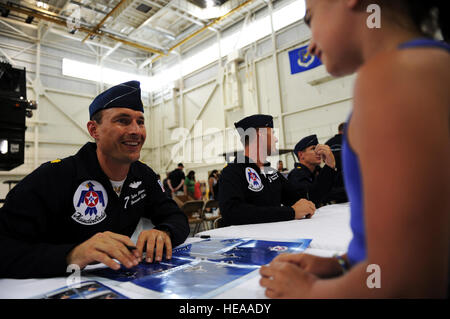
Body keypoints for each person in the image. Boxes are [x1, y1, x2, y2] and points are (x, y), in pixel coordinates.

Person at [260, 0, 450, 298]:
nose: (310, 47)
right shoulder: (426, 64)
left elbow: (408, 278)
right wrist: (340, 264)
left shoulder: (391, 77)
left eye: (310, 21)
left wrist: (308, 292)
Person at [0, 81, 190, 278]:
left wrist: (164, 232)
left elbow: (175, 217)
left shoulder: (144, 176)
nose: (136, 130)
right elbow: (4, 248)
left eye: (140, 122)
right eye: (123, 121)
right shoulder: (53, 178)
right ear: (94, 130)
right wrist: (71, 255)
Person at [218, 114, 316, 226]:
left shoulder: (271, 173)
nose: (276, 139)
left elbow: (299, 200)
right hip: (248, 240)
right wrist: (290, 212)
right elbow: (233, 212)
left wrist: (329, 168)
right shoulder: (232, 172)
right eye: (273, 134)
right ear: (261, 135)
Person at [287, 134, 338, 206]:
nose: (318, 152)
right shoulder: (296, 175)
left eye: (318, 149)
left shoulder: (317, 171)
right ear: (301, 155)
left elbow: (335, 189)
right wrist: (329, 165)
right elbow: (312, 199)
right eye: (313, 149)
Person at [324, 122, 348, 203]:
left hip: (332, 181)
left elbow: (323, 160)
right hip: (347, 179)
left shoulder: (327, 144)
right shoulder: (350, 140)